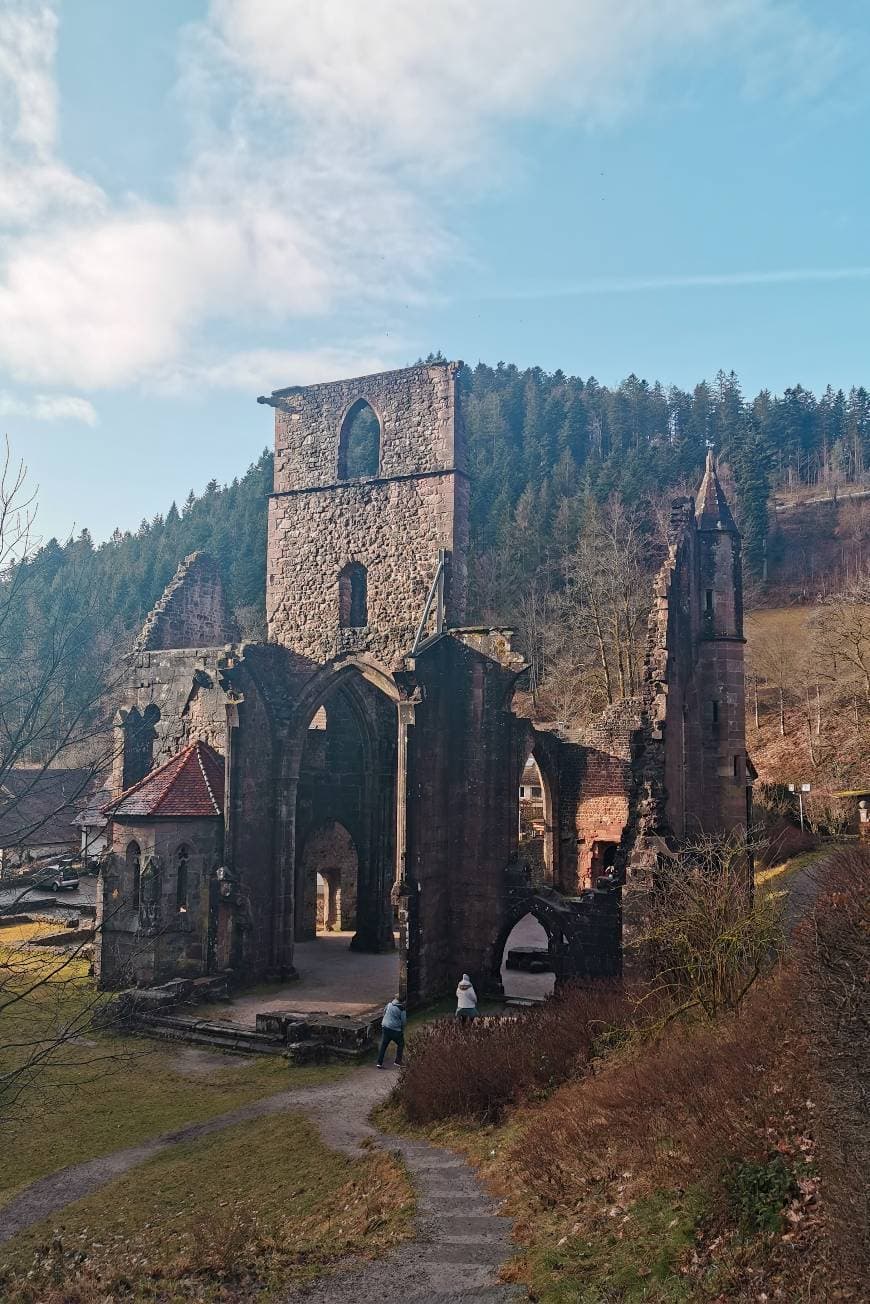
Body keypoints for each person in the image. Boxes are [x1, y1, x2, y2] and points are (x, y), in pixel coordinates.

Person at [377, 995, 406, 1068]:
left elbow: (384, 1012)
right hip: (395, 1030)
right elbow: (403, 1021)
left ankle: (379, 1063)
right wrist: (402, 1030)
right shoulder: (401, 1009)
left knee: (384, 1045)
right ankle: (398, 1061)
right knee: (401, 1044)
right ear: (403, 1001)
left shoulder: (389, 1004)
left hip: (385, 1027)